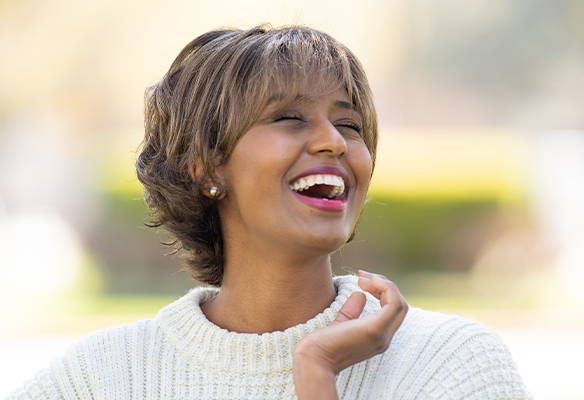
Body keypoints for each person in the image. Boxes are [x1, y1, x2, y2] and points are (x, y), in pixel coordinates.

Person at [7, 24, 531, 399]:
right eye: (289, 117)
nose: (332, 142)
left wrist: (317, 374)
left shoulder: (452, 363)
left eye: (349, 125)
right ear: (205, 167)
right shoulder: (102, 378)